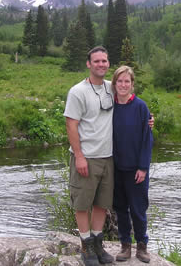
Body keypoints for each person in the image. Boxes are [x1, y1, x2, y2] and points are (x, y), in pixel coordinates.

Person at [63, 46, 115, 266]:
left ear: (108, 64)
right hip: (86, 157)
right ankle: (86, 247)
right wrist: (80, 156)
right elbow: (71, 124)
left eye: (104, 61)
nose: (101, 64)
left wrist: (147, 119)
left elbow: (131, 104)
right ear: (88, 64)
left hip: (109, 157)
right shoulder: (77, 91)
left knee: (102, 204)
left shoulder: (113, 88)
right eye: (96, 61)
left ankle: (98, 244)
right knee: (82, 204)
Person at [111, 65, 154, 263]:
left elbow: (147, 139)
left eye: (127, 81)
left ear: (132, 84)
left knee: (138, 209)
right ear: (114, 83)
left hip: (136, 170)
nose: (123, 85)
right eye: (119, 81)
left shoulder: (141, 107)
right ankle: (125, 246)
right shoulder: (109, 106)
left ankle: (142, 246)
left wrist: (143, 167)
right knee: (120, 209)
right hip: (115, 168)